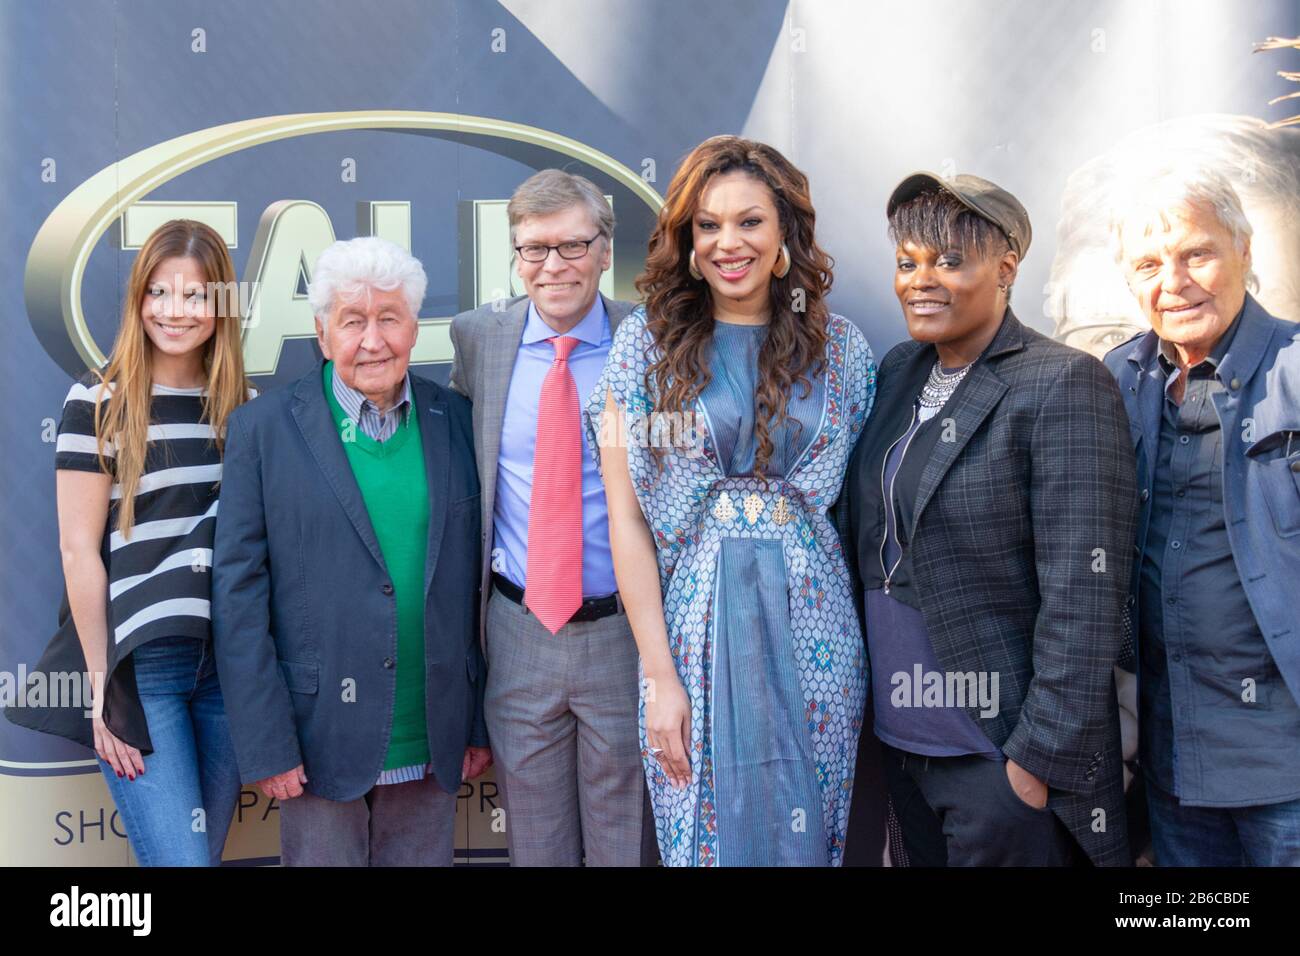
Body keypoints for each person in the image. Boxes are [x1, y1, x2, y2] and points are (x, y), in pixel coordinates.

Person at [587, 136, 875, 866]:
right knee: (706, 828)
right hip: (694, 632)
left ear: (785, 236)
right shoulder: (642, 351)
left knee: (813, 828)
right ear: (686, 241)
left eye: (749, 222)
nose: (728, 242)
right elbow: (625, 519)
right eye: (708, 225)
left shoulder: (843, 350)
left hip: (819, 630)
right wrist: (659, 676)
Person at [839, 173, 1138, 866]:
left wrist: (1032, 765)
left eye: (949, 261)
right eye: (908, 263)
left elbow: (1086, 594)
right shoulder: (897, 371)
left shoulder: (1060, 381)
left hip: (997, 756)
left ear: (1006, 268)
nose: (922, 281)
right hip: (903, 746)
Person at [212, 237, 490, 866]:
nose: (373, 340)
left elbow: (475, 581)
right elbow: (237, 594)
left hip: (433, 729)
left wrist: (473, 722)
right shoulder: (265, 430)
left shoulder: (458, 420)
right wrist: (267, 742)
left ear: (416, 329)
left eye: (389, 318)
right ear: (321, 332)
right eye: (352, 320)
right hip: (316, 737)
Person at [5, 219, 252, 865]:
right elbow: (77, 551)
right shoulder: (99, 400)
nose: (175, 311)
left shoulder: (244, 408)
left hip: (226, 670)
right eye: (159, 292)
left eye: (196, 295)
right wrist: (102, 688)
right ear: (139, 299)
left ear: (221, 304)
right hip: (145, 673)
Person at [1103, 162, 1300, 866]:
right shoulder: (1119, 381)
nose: (1174, 282)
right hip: (1173, 769)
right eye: (1149, 264)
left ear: (1245, 251)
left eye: (1196, 254)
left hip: (1287, 771)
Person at [447, 169, 646, 866]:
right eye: (533, 249)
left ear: (603, 250)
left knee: (624, 842)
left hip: (624, 631)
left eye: (571, 246)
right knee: (536, 847)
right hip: (517, 630)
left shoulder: (650, 341)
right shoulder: (477, 339)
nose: (552, 266)